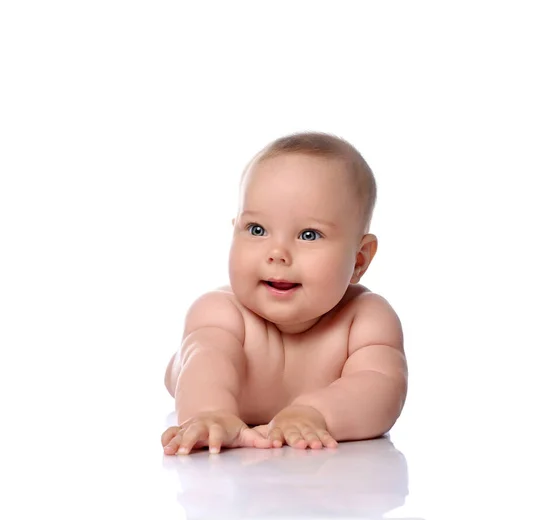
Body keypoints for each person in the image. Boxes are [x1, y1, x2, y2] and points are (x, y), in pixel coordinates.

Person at [161, 132, 407, 455]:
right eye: (257, 230)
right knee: (201, 350)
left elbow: (382, 389)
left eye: (308, 235)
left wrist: (316, 412)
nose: (277, 253)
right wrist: (210, 412)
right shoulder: (221, 314)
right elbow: (208, 362)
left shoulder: (365, 321)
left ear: (359, 260)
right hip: (208, 391)